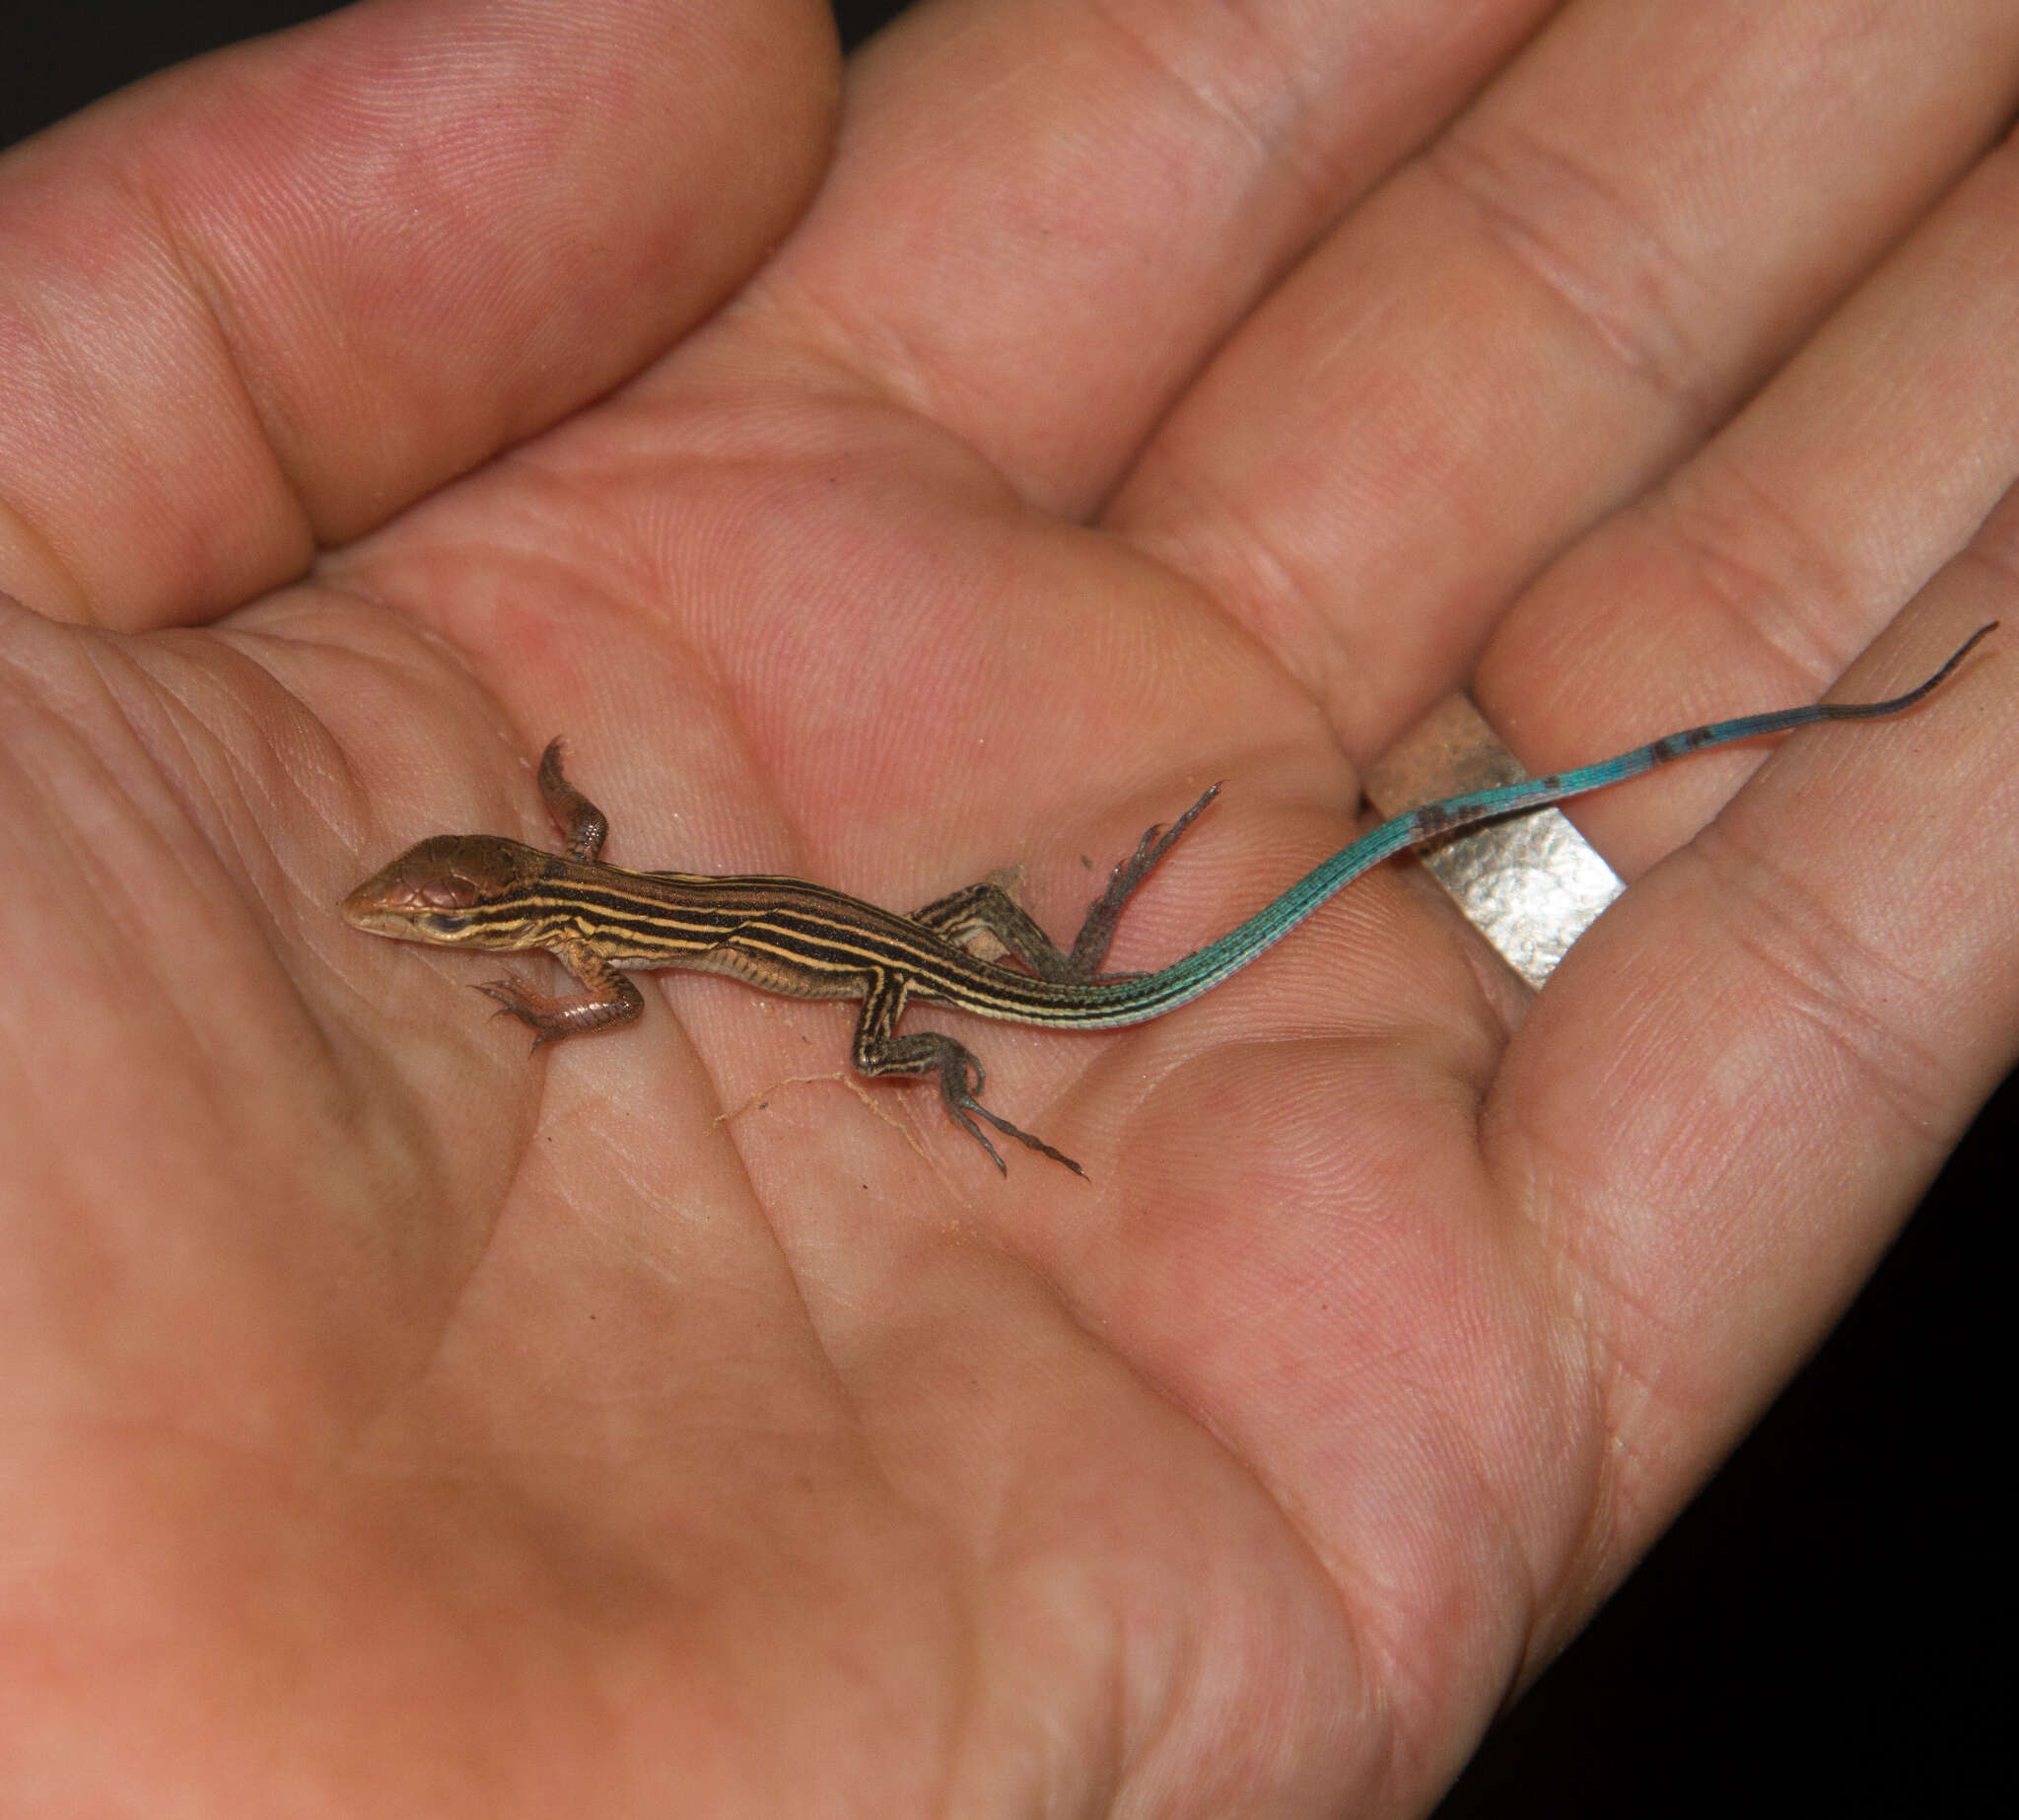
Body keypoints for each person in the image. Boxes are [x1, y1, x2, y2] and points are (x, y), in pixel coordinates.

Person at [0, 1, 2008, 1810]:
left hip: (912, 979)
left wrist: (646, 1021)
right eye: (451, 922)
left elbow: (613, 994)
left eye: (445, 917)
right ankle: (1067, 968)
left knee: (927, 1032)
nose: (432, 922)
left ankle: (984, 1052)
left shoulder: (595, 942)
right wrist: (546, 837)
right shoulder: (594, 894)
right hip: (894, 924)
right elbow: (596, 861)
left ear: (498, 907)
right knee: (988, 928)